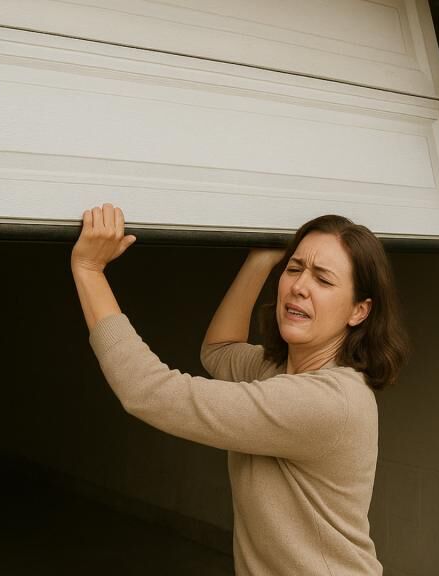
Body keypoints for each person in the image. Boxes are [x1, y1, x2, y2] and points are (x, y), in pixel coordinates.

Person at [71, 204, 408, 575]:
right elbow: (219, 350)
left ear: (358, 311)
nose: (299, 286)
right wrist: (259, 261)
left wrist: (89, 271)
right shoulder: (277, 372)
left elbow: (148, 391)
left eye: (323, 280)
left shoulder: (326, 401)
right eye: (294, 269)